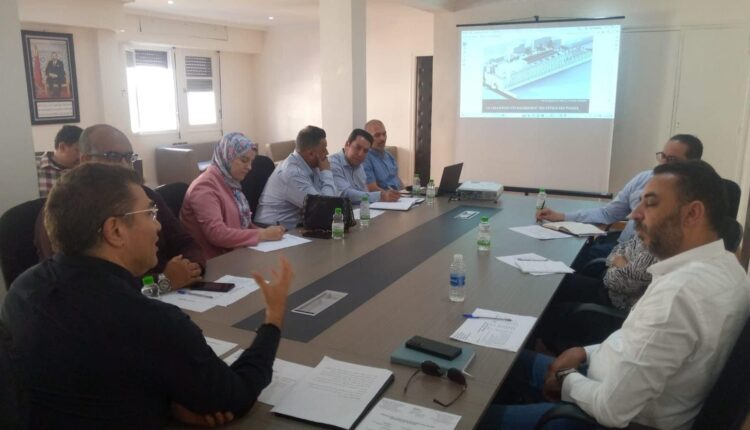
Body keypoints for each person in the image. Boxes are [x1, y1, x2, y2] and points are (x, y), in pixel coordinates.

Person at [2, 163, 293, 428]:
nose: (158, 225)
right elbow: (236, 396)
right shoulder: (150, 321)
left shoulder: (22, 290)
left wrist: (164, 403)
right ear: (115, 230)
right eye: (150, 214)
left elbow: (84, 382)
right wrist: (273, 319)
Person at [481, 160, 750, 430]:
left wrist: (565, 378)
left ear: (692, 214)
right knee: (493, 361)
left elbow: (612, 410)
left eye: (650, 204)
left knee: (471, 416)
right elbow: (637, 344)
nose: (634, 214)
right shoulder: (729, 269)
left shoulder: (678, 295)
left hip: (602, 416)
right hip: (605, 378)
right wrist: (584, 352)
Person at [34, 124, 205, 290]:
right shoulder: (64, 211)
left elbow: (186, 242)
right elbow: (86, 287)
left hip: (177, 290)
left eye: (128, 157)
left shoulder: (144, 197)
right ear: (85, 160)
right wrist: (163, 281)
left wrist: (189, 269)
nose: (124, 164)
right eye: (113, 156)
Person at [536, 134, 703, 266]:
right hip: (620, 246)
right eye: (662, 156)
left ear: (692, 164)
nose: (663, 163)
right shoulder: (644, 178)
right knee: (565, 252)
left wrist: (620, 263)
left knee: (570, 263)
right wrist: (562, 217)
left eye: (672, 160)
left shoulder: (687, 200)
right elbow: (608, 213)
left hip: (633, 260)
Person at [180, 132, 285, 259]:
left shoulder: (230, 182)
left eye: (251, 161)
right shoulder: (204, 187)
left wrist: (269, 232)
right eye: (244, 160)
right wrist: (263, 234)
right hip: (213, 262)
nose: (250, 167)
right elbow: (217, 234)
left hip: (234, 254)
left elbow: (242, 225)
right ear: (227, 157)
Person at [254, 125, 337, 229]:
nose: (327, 153)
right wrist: (326, 172)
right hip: (271, 229)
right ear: (311, 153)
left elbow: (331, 202)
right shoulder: (292, 173)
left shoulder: (312, 165)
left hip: (295, 228)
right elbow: (324, 209)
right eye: (323, 150)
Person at [329, 128, 401, 204]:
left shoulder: (359, 165)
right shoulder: (332, 163)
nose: (361, 154)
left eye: (365, 151)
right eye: (358, 148)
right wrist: (380, 196)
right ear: (347, 144)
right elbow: (344, 193)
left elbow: (364, 192)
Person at [36, 124, 83, 197]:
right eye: (78, 150)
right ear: (62, 147)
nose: (81, 156)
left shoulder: (84, 170)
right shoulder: (33, 166)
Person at [363, 119, 403, 191]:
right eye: (377, 135)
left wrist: (407, 192)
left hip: (399, 195)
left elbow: (397, 179)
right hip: (383, 197)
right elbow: (371, 188)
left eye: (384, 134)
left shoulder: (390, 156)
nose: (383, 138)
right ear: (367, 139)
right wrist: (393, 195)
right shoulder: (365, 158)